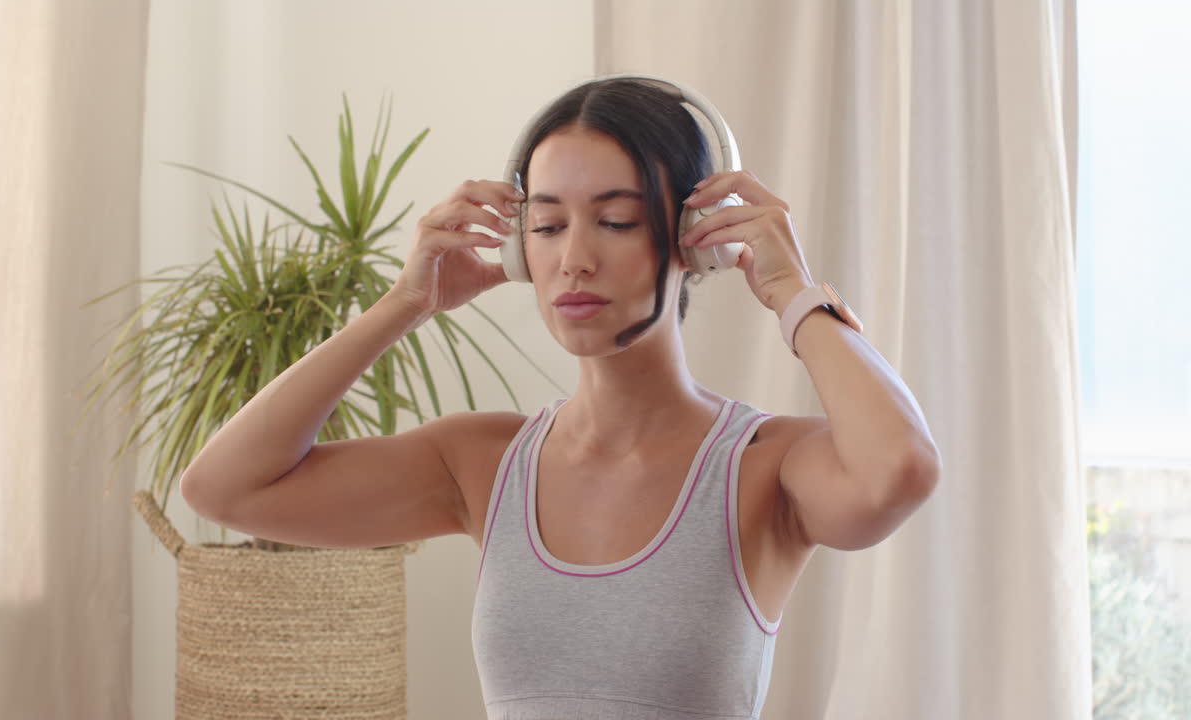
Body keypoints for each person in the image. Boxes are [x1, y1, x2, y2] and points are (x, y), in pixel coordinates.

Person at [180, 75, 941, 719]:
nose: (574, 258)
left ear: (693, 238)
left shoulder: (763, 465)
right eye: (546, 226)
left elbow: (901, 469)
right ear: (519, 250)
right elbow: (224, 489)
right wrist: (404, 305)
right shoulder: (482, 462)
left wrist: (793, 295)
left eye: (615, 220)